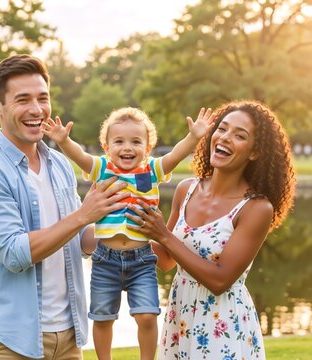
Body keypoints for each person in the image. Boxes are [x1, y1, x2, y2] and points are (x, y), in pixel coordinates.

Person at [0, 54, 129, 360]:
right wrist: (83, 215)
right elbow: (15, 253)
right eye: (23, 99)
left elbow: (79, 240)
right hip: (9, 341)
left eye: (43, 98)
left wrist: (125, 228)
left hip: (68, 338)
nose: (37, 110)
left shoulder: (59, 164)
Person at [126, 100, 296, 359]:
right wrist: (115, 233)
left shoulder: (256, 208)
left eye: (240, 135)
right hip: (180, 318)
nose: (225, 138)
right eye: (222, 128)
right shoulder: (187, 189)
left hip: (223, 325)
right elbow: (165, 260)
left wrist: (163, 234)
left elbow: (220, 280)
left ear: (254, 152)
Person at [42, 107, 216, 360]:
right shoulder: (102, 168)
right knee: (103, 318)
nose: (127, 148)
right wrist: (63, 140)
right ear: (107, 146)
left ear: (147, 147)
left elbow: (175, 156)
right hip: (105, 260)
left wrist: (194, 136)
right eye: (119, 141)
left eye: (136, 142)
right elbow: (80, 156)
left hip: (141, 260)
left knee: (146, 315)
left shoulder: (151, 170)